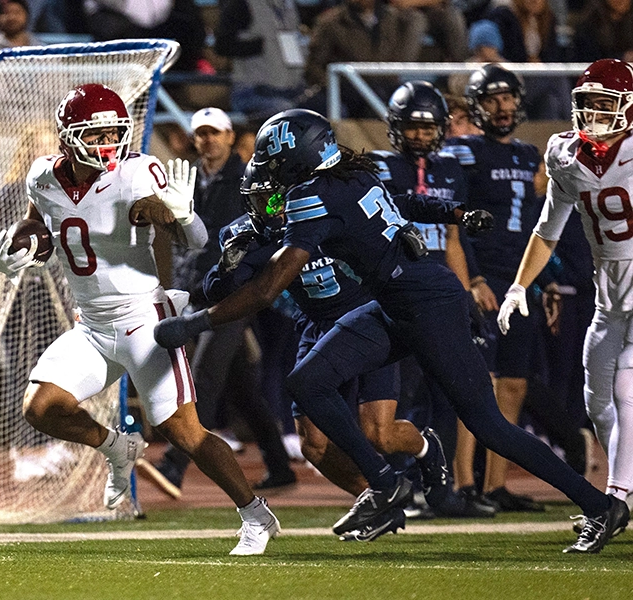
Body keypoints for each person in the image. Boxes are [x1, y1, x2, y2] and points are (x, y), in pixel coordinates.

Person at [155, 108, 629, 553]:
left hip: (427, 305)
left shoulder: (312, 195)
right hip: (395, 300)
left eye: (278, 161)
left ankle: (600, 506)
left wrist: (195, 322)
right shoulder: (351, 173)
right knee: (308, 380)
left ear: (300, 157)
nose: (272, 173)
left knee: (488, 425)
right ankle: (385, 483)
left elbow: (265, 290)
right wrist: (453, 213)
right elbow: (394, 208)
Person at [0, 84, 280, 555]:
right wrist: (15, 247)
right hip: (92, 326)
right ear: (68, 138)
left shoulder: (137, 172)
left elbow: (198, 240)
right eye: (95, 131)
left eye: (113, 131)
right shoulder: (42, 175)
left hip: (145, 321)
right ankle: (115, 447)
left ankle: (254, 513)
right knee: (40, 408)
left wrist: (181, 215)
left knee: (183, 431)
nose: (107, 141)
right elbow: (37, 224)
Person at [499, 59, 633, 524]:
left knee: (624, 389)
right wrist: (519, 285)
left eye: (605, 103)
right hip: (608, 291)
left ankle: (615, 500)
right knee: (596, 402)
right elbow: (547, 230)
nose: (595, 113)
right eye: (589, 103)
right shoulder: (564, 155)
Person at [369, 80, 495, 518]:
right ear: (395, 128)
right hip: (398, 291)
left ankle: (439, 488)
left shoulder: (450, 169)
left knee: (446, 391)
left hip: (441, 291)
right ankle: (399, 483)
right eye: (412, 127)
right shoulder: (380, 167)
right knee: (403, 392)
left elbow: (455, 239)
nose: (421, 135)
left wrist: (467, 290)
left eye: (428, 127)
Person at [155, 107, 295, 494]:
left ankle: (172, 464)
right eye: (201, 133)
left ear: (230, 137)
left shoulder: (252, 180)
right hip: (194, 291)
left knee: (203, 377)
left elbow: (273, 223)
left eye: (214, 133)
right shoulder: (189, 178)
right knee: (239, 386)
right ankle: (280, 465)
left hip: (233, 294)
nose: (208, 140)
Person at [443, 64, 549, 513]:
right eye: (492, 99)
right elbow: (454, 220)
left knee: (513, 384)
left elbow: (544, 224)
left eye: (508, 99)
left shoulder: (530, 154)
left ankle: (495, 484)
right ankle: (464, 483)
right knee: (477, 383)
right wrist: (474, 281)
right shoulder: (462, 153)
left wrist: (543, 281)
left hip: (520, 280)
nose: (502, 108)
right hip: (484, 278)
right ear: (476, 105)